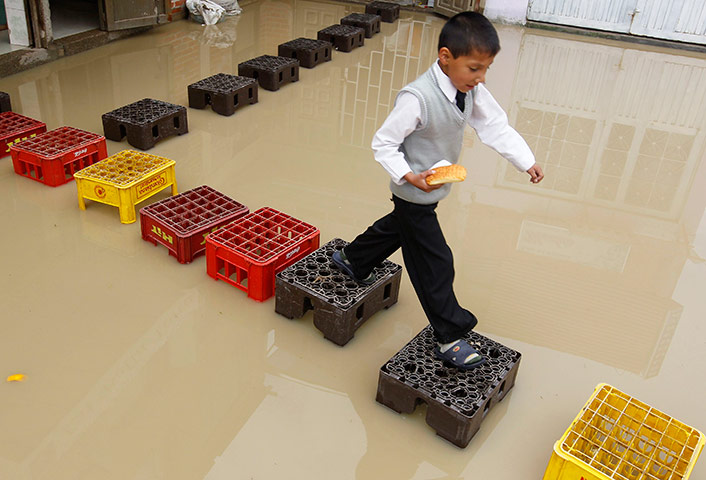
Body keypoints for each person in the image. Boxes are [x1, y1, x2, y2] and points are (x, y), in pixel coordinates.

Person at [333, 11, 544, 370]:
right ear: (446, 57)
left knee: (398, 227)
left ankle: (353, 259)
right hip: (414, 192)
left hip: (428, 192)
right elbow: (383, 143)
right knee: (435, 262)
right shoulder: (418, 98)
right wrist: (407, 176)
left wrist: (525, 160)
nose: (480, 78)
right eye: (474, 68)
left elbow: (494, 126)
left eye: (486, 70)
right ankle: (449, 335)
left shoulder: (470, 90)